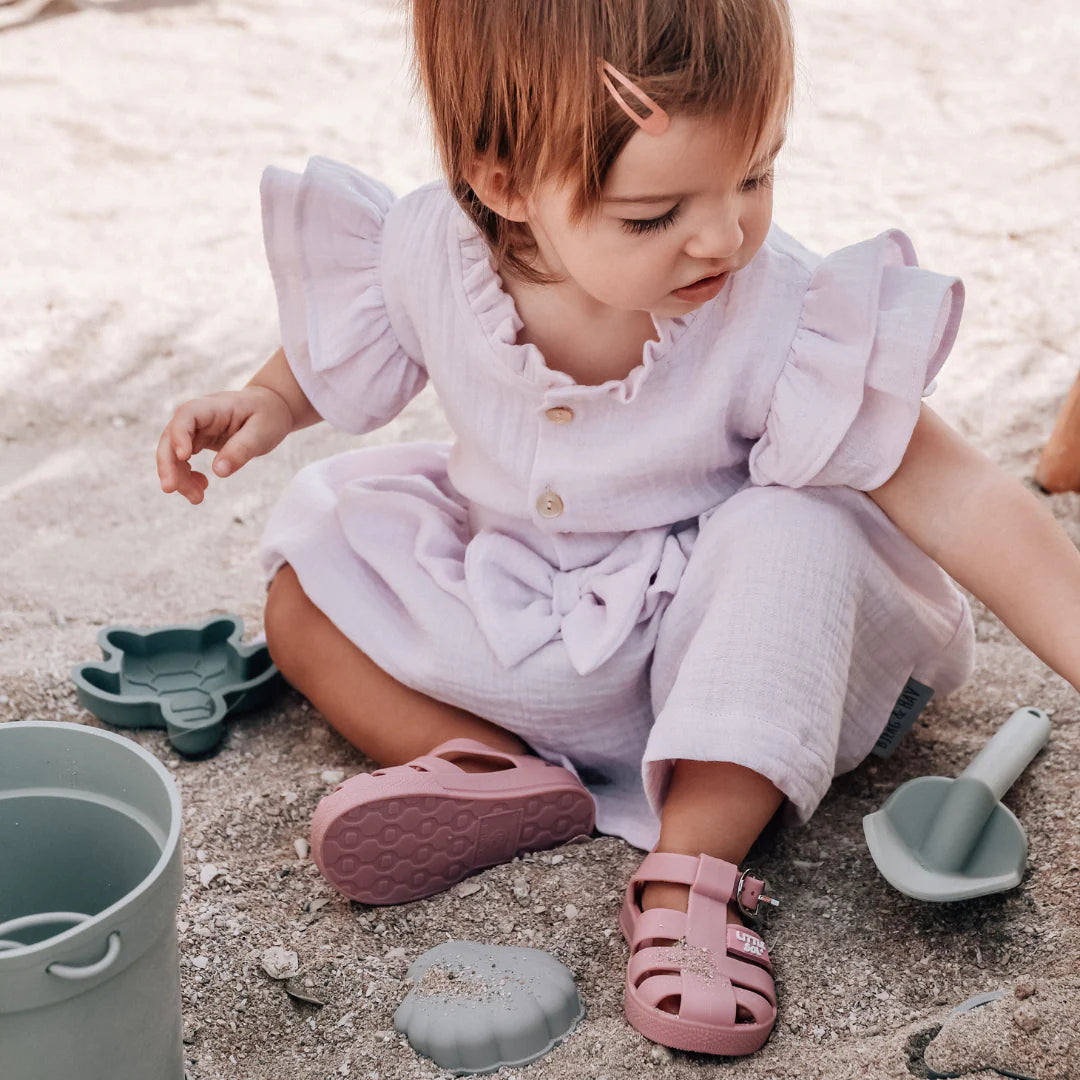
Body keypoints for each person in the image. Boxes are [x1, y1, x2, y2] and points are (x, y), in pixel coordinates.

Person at [156, 0, 1080, 1057]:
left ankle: (692, 868)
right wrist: (269, 402)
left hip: (733, 659)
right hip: (532, 622)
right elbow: (330, 352)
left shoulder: (772, 311)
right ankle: (493, 770)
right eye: (654, 215)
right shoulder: (427, 249)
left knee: (802, 527)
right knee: (306, 576)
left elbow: (962, 498)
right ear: (501, 183)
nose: (725, 236)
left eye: (757, 174)